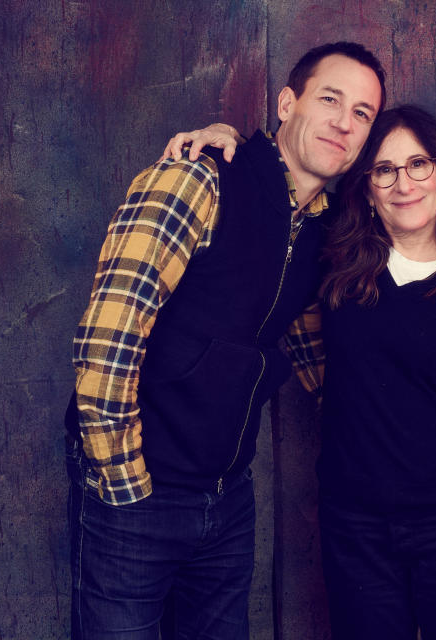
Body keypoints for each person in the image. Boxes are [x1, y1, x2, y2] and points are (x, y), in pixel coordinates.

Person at [165, 105, 436, 638]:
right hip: (355, 527)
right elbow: (281, 185)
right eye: (384, 170)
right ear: (366, 187)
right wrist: (228, 141)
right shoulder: (336, 254)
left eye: (418, 165)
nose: (403, 184)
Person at [65, 41, 385, 639]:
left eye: (362, 113)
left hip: (227, 499)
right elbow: (110, 332)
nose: (344, 121)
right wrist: (123, 482)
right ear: (287, 104)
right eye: (331, 99)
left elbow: (317, 355)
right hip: (138, 488)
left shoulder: (327, 229)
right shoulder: (201, 176)